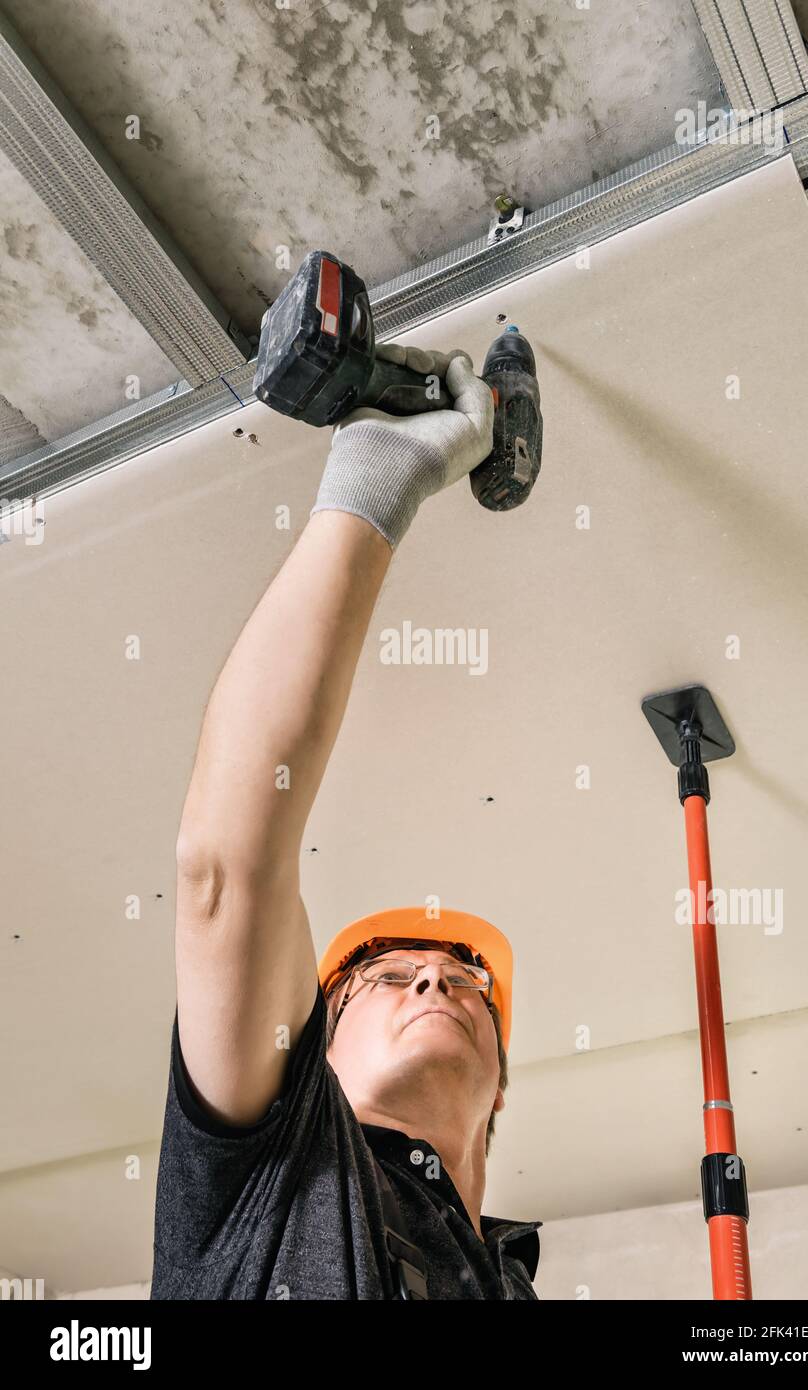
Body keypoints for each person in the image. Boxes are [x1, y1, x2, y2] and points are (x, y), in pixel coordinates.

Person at [150, 345, 542, 1299]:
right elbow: (227, 870)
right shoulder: (268, 1176)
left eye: (455, 980)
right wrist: (375, 483)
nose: (434, 981)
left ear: (499, 1096)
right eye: (391, 977)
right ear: (312, 1048)